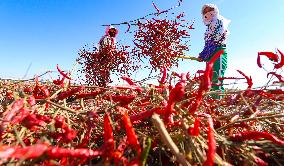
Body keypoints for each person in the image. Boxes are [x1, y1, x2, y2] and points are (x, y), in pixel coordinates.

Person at [198, 4, 230, 99]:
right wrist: (203, 55)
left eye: (210, 10)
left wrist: (203, 55)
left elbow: (215, 40)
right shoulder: (208, 29)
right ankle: (211, 101)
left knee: (217, 76)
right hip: (210, 55)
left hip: (219, 51)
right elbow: (208, 44)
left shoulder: (220, 22)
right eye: (205, 12)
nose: (208, 13)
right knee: (209, 78)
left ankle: (217, 101)